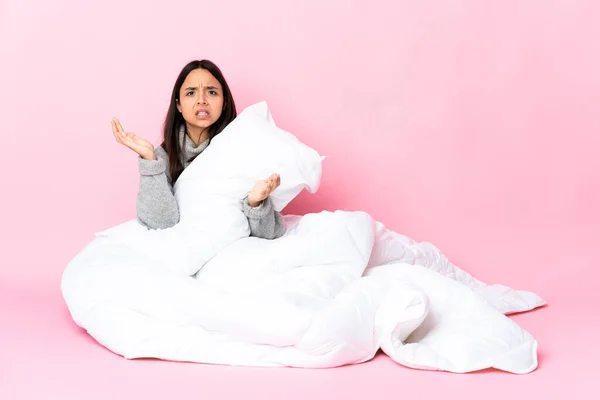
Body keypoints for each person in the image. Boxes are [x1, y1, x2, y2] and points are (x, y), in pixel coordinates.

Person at [111, 59, 286, 239]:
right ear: (178, 104)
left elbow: (270, 233)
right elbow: (161, 224)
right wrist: (149, 160)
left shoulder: (240, 147)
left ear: (224, 101)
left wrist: (255, 203)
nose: (201, 100)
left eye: (211, 92)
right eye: (191, 93)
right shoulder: (162, 158)